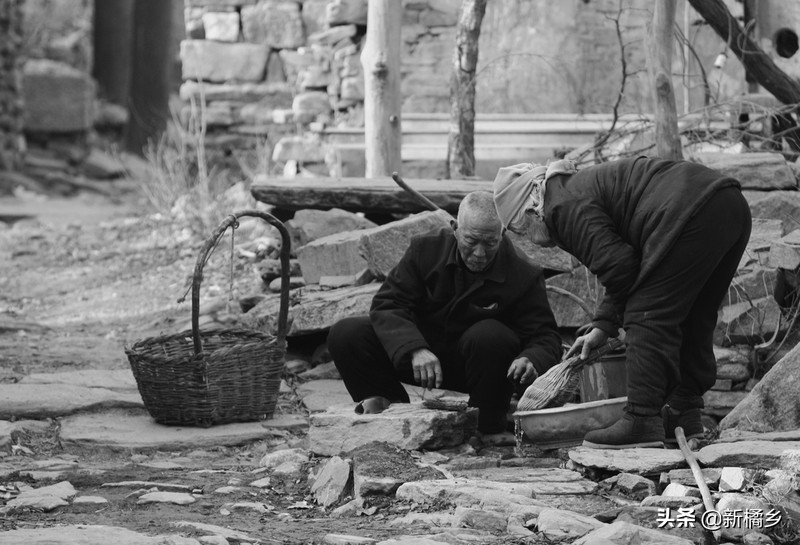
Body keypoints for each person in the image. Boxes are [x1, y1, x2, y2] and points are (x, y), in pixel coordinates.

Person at [493, 156, 752, 449]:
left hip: (689, 209)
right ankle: (682, 412)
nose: (528, 240)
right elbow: (625, 266)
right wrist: (602, 326)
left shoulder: (561, 207)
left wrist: (615, 321)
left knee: (647, 313)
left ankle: (641, 419)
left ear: (529, 211)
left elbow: (622, 271)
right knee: (694, 314)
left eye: (520, 231)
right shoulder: (567, 192)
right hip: (727, 203)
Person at [327, 191, 562, 437]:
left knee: (491, 335)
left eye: (490, 243)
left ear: (502, 235)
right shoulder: (425, 249)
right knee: (346, 334)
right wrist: (413, 347)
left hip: (480, 368)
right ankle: (392, 411)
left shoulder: (522, 273)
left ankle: (485, 426)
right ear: (455, 228)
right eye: (471, 241)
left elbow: (545, 336)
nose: (480, 253)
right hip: (421, 359)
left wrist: (531, 358)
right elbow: (389, 303)